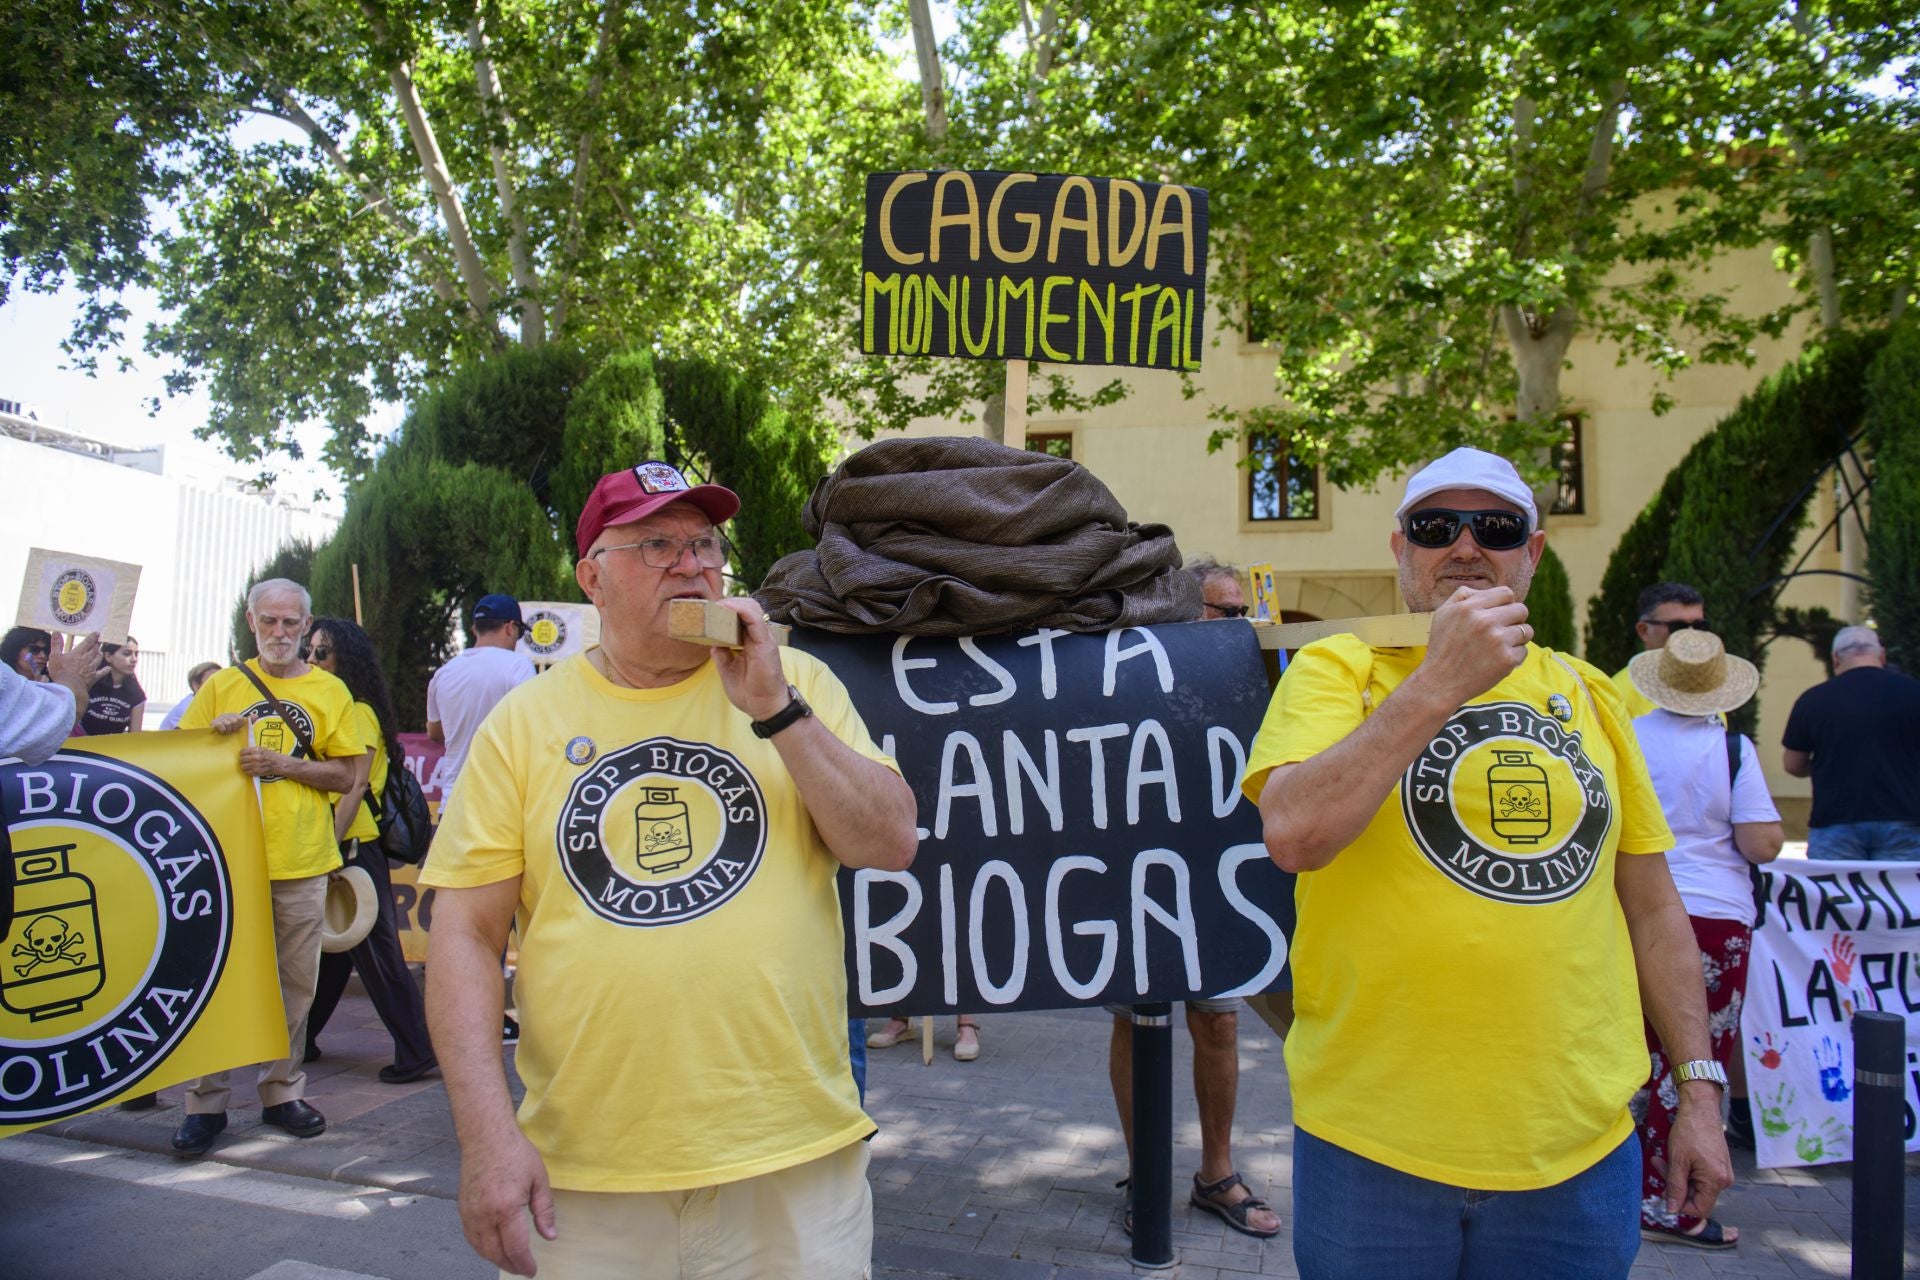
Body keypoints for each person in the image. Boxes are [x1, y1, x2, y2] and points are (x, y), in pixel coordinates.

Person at [421, 460, 918, 1279]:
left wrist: (775, 711)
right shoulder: (525, 723)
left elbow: (889, 844)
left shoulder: (797, 683)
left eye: (705, 544)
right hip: (583, 1176)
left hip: (790, 1159)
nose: (692, 565)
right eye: (655, 544)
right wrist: (485, 1138)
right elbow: (465, 936)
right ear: (593, 578)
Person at [1247, 447, 1731, 1279]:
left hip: (1576, 1146)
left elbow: (1653, 908)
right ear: (1401, 549)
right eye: (1437, 526)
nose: (1466, 546)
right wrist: (1438, 683)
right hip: (1374, 1138)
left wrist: (1700, 1090)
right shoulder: (1341, 665)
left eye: (1495, 527)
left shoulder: (1590, 693)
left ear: (1532, 552)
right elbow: (1296, 834)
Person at [1106, 555, 1279, 1240]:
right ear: (1186, 612)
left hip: (1214, 880)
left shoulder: (1252, 680)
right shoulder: (1135, 670)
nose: (1239, 624)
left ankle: (1216, 1173)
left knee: (1220, 1021)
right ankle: (1143, 1170)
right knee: (1135, 1020)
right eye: (1225, 611)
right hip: (1140, 876)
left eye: (1244, 612)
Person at [170, 578, 361, 1158]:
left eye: (291, 623)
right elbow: (180, 768)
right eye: (269, 621)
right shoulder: (222, 688)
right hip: (226, 863)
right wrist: (215, 742)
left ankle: (282, 1093)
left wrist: (282, 762)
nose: (280, 632)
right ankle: (206, 1104)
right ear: (250, 623)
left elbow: (346, 776)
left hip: (300, 860)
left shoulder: (331, 691)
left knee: (294, 987)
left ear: (306, 628)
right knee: (215, 982)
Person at [1626, 628, 1782, 1248]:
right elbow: (1761, 842)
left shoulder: (1630, 738)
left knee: (1635, 1056)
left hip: (1634, 906)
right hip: (1713, 916)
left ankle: (1620, 1188)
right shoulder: (1732, 750)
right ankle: (1672, 1205)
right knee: (1692, 1062)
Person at [302, 617, 437, 1084]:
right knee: (335, 949)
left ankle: (419, 1050)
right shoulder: (346, 706)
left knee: (378, 954)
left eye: (321, 652)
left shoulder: (355, 711)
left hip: (352, 842)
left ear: (345, 659)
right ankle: (301, 1040)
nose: (310, 659)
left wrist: (327, 845)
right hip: (349, 842)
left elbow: (355, 784)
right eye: (310, 650)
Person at [1782, 625, 1920, 860]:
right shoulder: (1914, 693)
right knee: (1903, 896)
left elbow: (1793, 764)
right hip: (1907, 819)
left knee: (1837, 895)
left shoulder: (1813, 700)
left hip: (1835, 823)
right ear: (1882, 656)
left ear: (1835, 658)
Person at [426, 593, 535, 798]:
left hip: (452, 801)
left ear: (474, 629)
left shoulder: (443, 674)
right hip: (499, 801)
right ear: (511, 627)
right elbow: (529, 725)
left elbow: (434, 732)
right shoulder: (518, 666)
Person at [0, 632, 102, 764]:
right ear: (14, 650)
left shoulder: (51, 683)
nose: (42, 656)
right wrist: (73, 679)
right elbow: (46, 725)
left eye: (46, 650)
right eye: (34, 650)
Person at [1609, 583, 1708, 719]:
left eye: (1699, 626)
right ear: (1644, 630)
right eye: (1678, 627)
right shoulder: (1617, 694)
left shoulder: (1710, 683)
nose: (1690, 635)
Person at [81, 636, 146, 734]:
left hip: (113, 748)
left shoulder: (137, 694)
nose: (134, 659)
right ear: (108, 656)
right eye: (127, 653)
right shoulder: (89, 684)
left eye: (136, 654)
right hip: (78, 746)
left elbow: (135, 736)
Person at [158, 661, 222, 731]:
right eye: (212, 681)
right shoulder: (188, 707)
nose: (220, 684)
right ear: (195, 685)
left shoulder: (206, 703)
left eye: (222, 680)